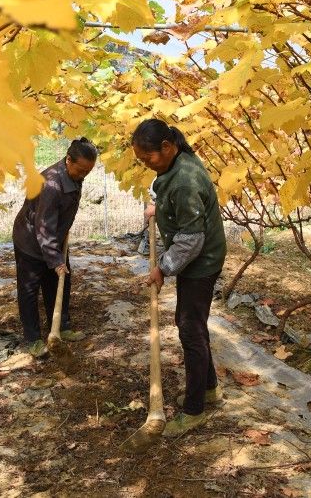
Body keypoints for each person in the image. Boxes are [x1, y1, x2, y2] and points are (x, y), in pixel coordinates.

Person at [131, 118, 226, 436]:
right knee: (193, 324)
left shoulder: (185, 178)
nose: (146, 164)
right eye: (141, 160)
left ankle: (195, 410)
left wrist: (163, 268)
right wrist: (161, 210)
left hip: (202, 260)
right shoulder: (176, 165)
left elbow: (191, 240)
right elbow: (176, 201)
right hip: (196, 257)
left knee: (189, 329)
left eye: (149, 158)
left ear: (167, 147)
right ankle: (209, 389)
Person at [12, 137, 98, 358]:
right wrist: (55, 259)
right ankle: (32, 338)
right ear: (68, 160)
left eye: (87, 172)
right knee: (30, 289)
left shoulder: (74, 174)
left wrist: (58, 257)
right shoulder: (50, 185)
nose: (83, 176)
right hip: (31, 240)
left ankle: (60, 326)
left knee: (60, 280)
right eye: (81, 171)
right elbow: (43, 227)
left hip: (54, 237)